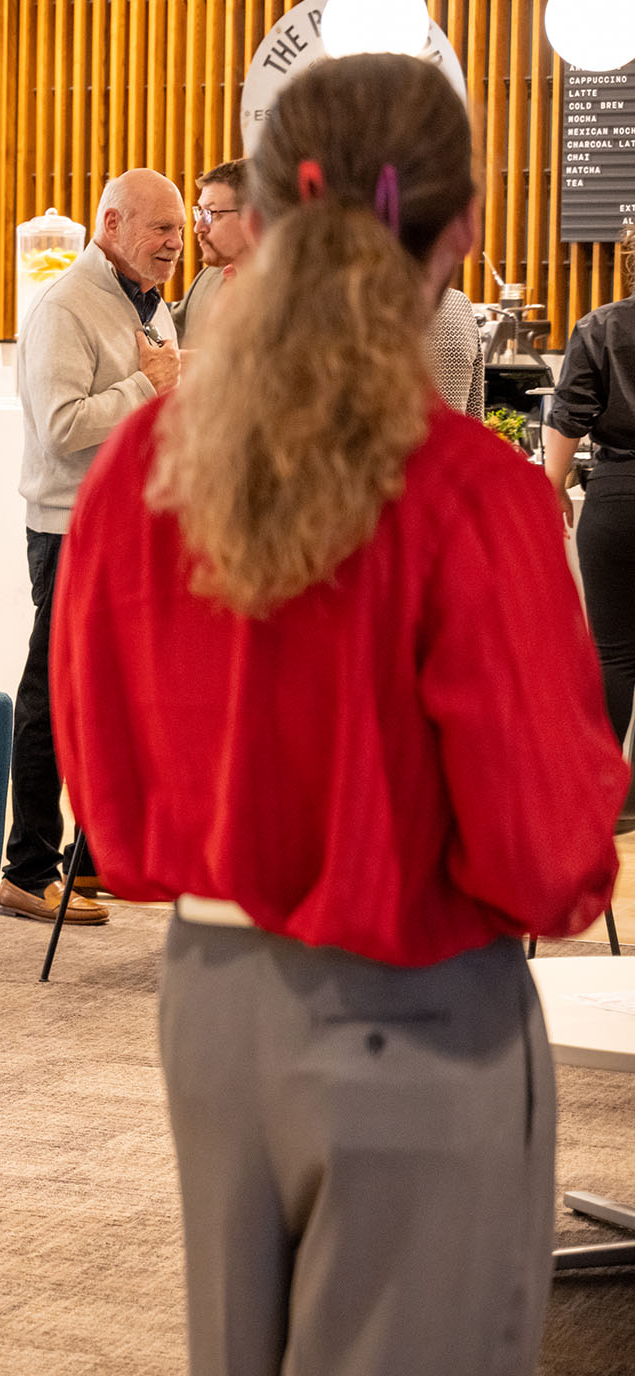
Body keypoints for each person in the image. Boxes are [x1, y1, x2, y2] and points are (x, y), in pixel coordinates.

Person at [52, 55, 625, 1376]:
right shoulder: (472, 491)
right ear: (462, 229)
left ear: (259, 215)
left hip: (208, 1006)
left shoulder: (148, 459)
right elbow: (548, 860)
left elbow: (108, 790)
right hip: (416, 1011)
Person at [0, 167, 183, 927]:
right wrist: (148, 387)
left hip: (136, 526)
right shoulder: (65, 306)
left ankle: (95, 858)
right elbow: (63, 425)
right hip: (72, 527)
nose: (176, 243)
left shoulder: (151, 301)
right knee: (52, 693)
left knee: (115, 696)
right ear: (110, 224)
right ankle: (28, 866)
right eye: (161, 229)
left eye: (178, 229)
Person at [549, 218, 635, 752]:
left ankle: (598, 803)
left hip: (617, 500)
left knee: (614, 655)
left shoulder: (599, 326)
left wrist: (554, 485)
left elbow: (568, 418)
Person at [172, 159, 253, 344]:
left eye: (211, 213)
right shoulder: (207, 277)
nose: (198, 227)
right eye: (200, 213)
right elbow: (170, 333)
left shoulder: (294, 293)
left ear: (252, 216)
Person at [425, 287, 486, 419]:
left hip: (396, 436)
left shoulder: (378, 302)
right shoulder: (459, 302)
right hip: (455, 435)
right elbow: (474, 407)